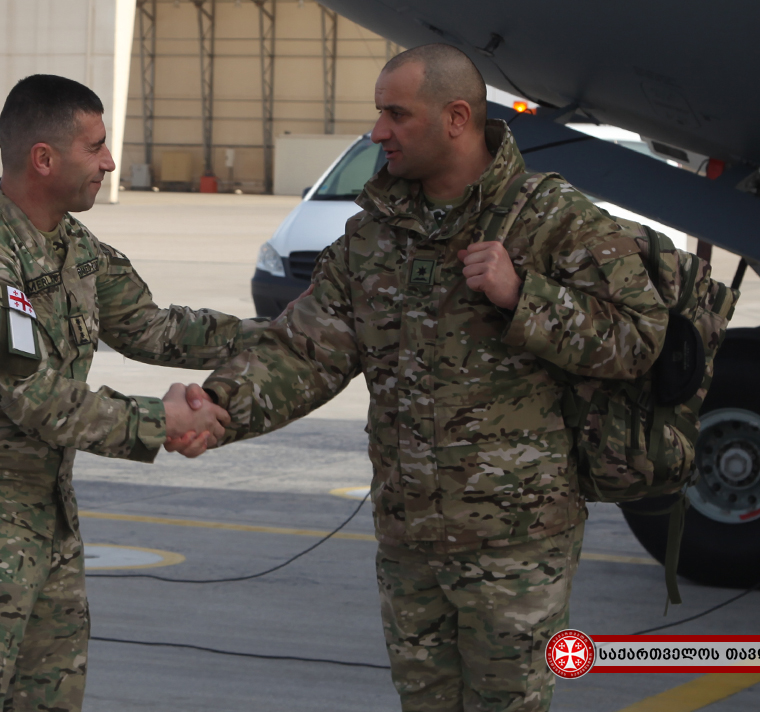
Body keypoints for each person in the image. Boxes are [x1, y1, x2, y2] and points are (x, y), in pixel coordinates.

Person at [199, 45, 667, 711]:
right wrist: (216, 406)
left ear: (456, 118)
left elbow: (641, 339)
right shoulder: (373, 237)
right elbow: (304, 351)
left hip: (515, 543)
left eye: (397, 114)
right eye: (379, 113)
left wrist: (524, 297)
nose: (377, 131)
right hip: (409, 539)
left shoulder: (552, 219)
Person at [0, 74, 256, 712]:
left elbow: (152, 327)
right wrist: (164, 421)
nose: (109, 162)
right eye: (95, 147)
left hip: (52, 519)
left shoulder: (73, 245)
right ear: (44, 158)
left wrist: (277, 335)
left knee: (52, 698)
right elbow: (40, 400)